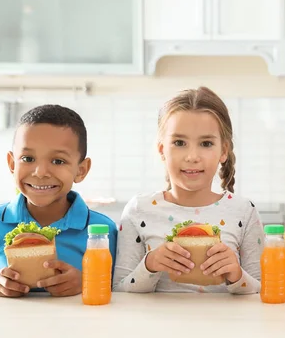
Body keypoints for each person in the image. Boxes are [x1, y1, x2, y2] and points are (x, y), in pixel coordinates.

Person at [113, 87, 264, 294]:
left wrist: (237, 275)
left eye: (206, 143)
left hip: (227, 326)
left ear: (224, 151)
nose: (192, 156)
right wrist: (150, 264)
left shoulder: (244, 211)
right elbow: (119, 290)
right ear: (161, 150)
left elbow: (265, 291)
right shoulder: (139, 210)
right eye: (179, 143)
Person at [0, 104, 117, 297]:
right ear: (12, 164)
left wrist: (86, 282)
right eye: (28, 159)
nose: (40, 172)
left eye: (58, 161)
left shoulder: (102, 230)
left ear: (81, 170)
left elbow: (122, 286)